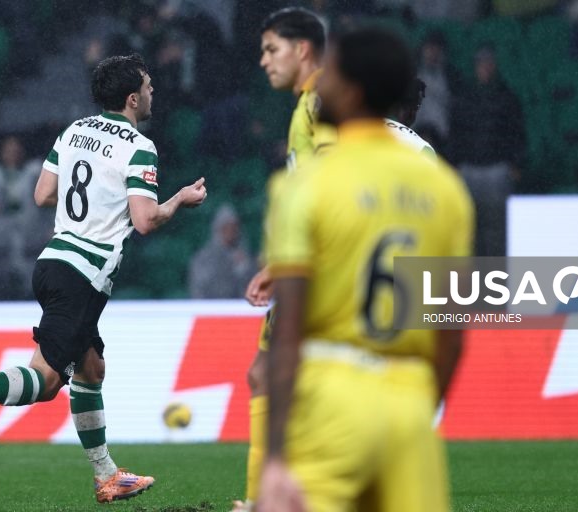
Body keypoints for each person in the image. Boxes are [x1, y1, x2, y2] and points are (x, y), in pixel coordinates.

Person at [0, 54, 207, 504]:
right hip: (84, 275)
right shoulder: (139, 146)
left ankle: (107, 475)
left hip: (53, 261)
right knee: (47, 381)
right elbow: (146, 220)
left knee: (90, 368)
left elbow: (42, 195)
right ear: (133, 98)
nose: (154, 94)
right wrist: (179, 200)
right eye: (149, 88)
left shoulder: (74, 130)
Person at [258, 25, 473, 512]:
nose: (318, 85)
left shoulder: (306, 183)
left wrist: (275, 458)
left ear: (351, 91)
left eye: (328, 76)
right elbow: (452, 329)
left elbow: (287, 329)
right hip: (411, 404)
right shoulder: (444, 186)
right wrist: (421, 408)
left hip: (331, 397)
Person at [237, 8, 336, 511]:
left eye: (272, 49)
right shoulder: (307, 105)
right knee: (265, 374)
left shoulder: (322, 100)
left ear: (302, 49)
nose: (263, 61)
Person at [448, 44, 524, 257]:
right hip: (468, 169)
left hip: (497, 171)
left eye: (489, 63)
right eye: (482, 63)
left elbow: (517, 133)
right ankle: (470, 280)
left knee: (496, 229)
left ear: (495, 66)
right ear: (476, 67)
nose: (485, 68)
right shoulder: (464, 98)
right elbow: (455, 133)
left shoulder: (507, 97)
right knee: (468, 228)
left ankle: (495, 280)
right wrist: (453, 165)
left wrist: (515, 164)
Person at [189, 204, 256, 299]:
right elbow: (199, 288)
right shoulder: (204, 258)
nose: (231, 232)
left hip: (239, 310)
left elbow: (253, 288)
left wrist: (244, 268)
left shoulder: (245, 257)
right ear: (218, 229)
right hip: (212, 309)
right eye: (226, 227)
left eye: (234, 227)